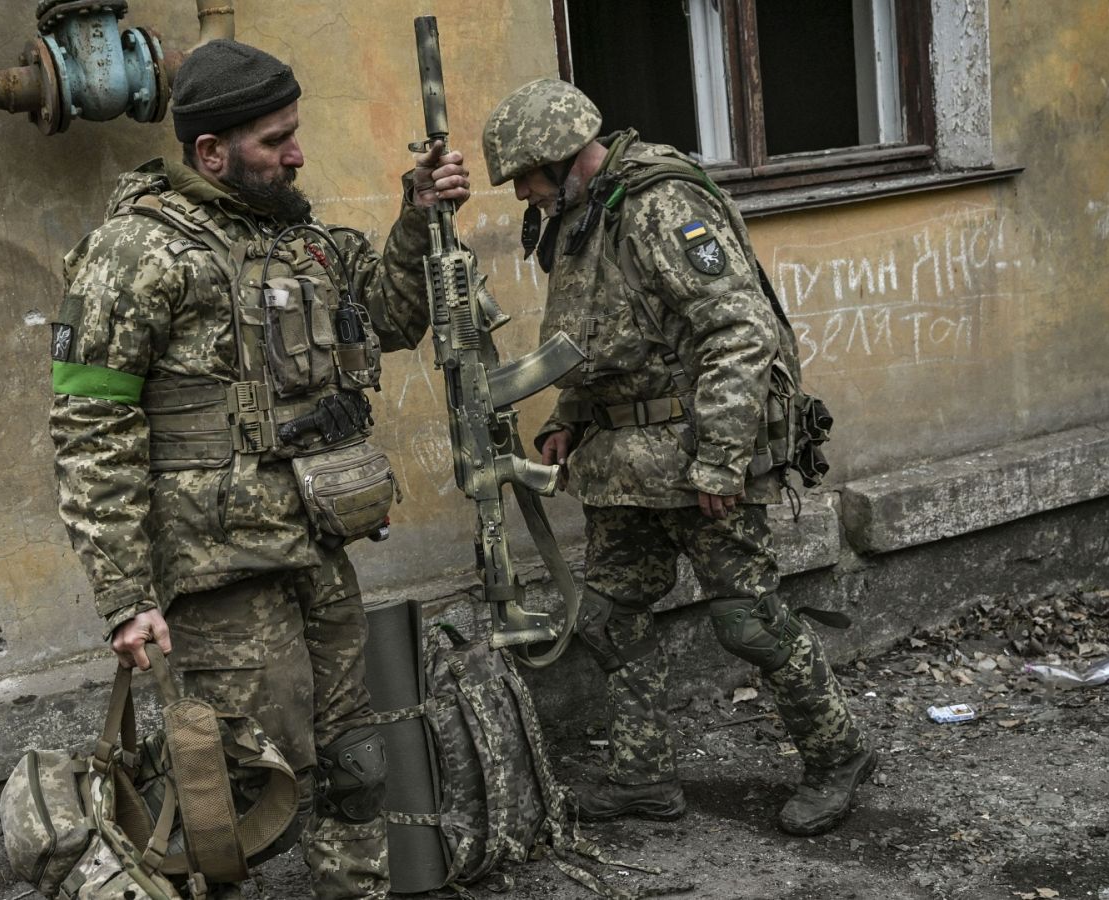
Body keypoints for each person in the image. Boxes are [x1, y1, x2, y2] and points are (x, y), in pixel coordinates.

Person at [49, 39, 471, 900]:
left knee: (354, 758)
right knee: (243, 782)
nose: (297, 153)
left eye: (295, 133)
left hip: (318, 546)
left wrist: (421, 215)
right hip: (219, 573)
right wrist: (126, 595)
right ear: (213, 152)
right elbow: (92, 428)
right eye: (276, 140)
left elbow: (390, 315)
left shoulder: (302, 241)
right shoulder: (132, 256)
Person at [479, 79, 873, 837]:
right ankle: (643, 780)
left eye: (527, 175)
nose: (522, 193)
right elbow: (591, 342)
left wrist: (722, 460)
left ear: (563, 157)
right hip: (624, 463)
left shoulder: (659, 205)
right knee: (611, 618)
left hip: (695, 458)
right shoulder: (578, 218)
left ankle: (839, 754)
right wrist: (568, 417)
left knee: (749, 621)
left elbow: (738, 331)